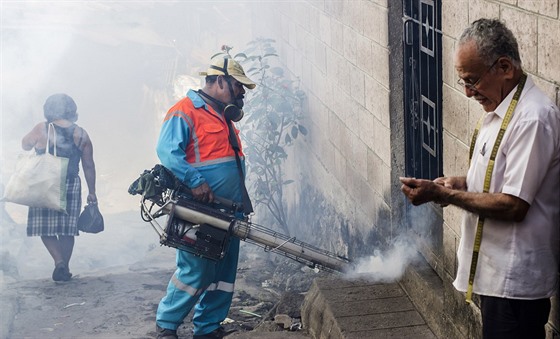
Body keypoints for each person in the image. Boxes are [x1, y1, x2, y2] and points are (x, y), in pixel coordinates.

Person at [400, 18, 559, 339]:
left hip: (515, 282)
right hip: (497, 276)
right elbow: (503, 180)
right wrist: (461, 183)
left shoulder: (532, 118)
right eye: (463, 82)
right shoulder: (503, 107)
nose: (469, 92)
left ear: (505, 67)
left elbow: (514, 205)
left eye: (472, 80)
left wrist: (442, 195)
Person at [154, 56, 256, 339]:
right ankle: (167, 325)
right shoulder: (185, 111)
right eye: (238, 85)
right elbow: (167, 152)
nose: (242, 92)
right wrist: (195, 181)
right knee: (195, 270)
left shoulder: (222, 114)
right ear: (220, 81)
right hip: (200, 209)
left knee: (223, 273)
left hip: (230, 211)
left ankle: (208, 327)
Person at [22, 93, 97, 281]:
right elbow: (88, 165)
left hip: (44, 183)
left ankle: (58, 262)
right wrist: (92, 192)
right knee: (66, 229)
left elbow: (25, 145)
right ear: (72, 110)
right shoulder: (81, 134)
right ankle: (65, 265)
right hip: (71, 183)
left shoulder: (42, 128)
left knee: (45, 229)